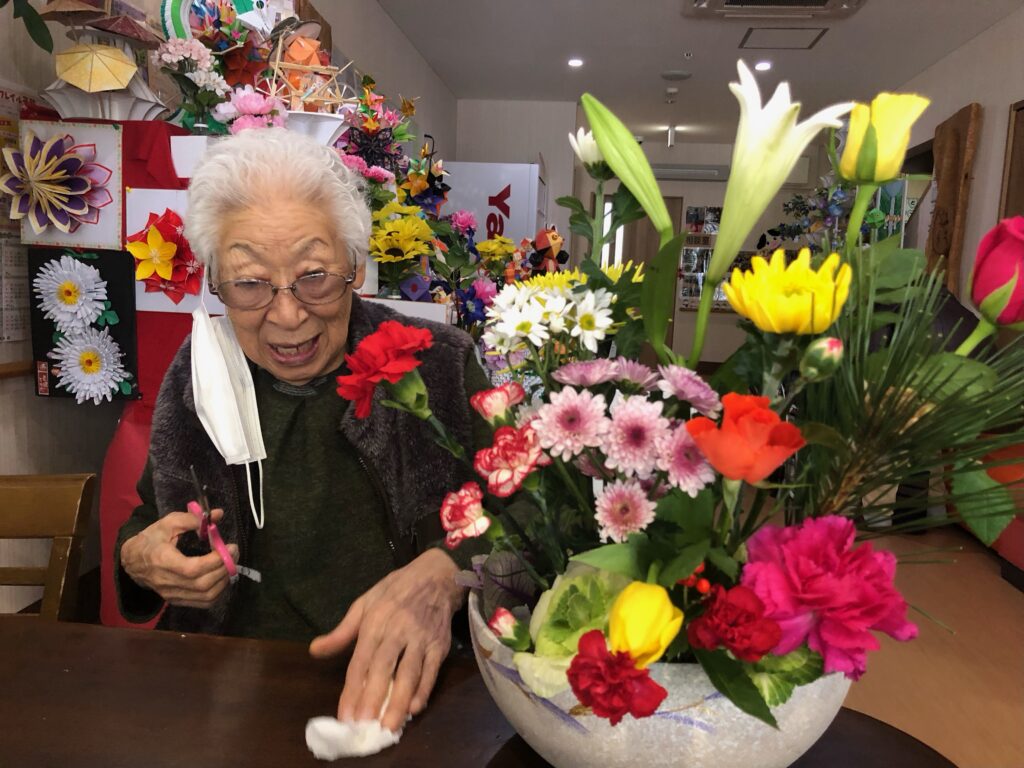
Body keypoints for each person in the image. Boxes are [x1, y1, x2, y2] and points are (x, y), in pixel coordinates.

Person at [115, 128, 492, 732]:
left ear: (355, 266)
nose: (288, 316)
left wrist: (447, 573)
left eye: (314, 275)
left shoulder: (437, 363)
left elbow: (536, 519)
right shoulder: (199, 373)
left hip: (411, 695)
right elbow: (149, 517)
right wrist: (139, 558)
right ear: (215, 282)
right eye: (249, 283)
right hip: (227, 693)